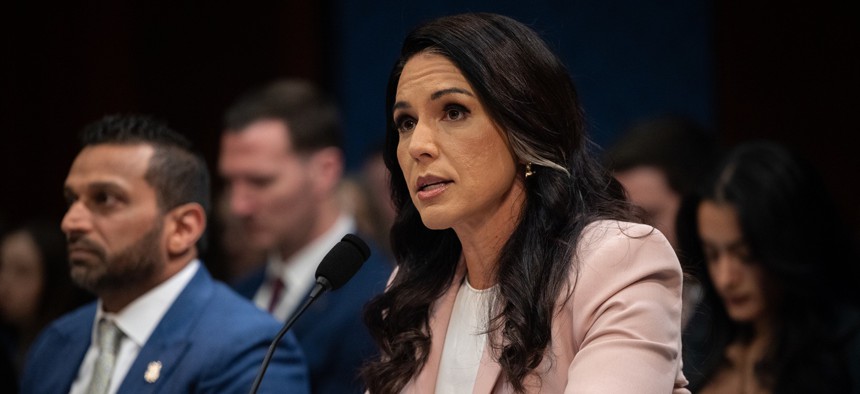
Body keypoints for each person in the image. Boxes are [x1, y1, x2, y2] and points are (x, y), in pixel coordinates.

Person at [361, 13, 688, 393]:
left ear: (525, 126)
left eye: (454, 112)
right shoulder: (416, 288)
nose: (418, 146)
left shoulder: (617, 263)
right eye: (406, 122)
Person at [20, 115, 309, 393]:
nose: (71, 222)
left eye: (104, 199)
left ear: (182, 229)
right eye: (72, 200)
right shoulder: (57, 341)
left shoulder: (248, 348)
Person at [219, 79, 391, 394]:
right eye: (231, 182)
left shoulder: (381, 298)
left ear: (325, 171)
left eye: (260, 181)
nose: (238, 205)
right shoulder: (236, 295)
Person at [687, 141, 860, 393]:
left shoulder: (847, 346)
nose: (725, 278)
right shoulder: (701, 335)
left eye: (745, 255)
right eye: (712, 254)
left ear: (789, 246)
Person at [0, 219, 93, 385]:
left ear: (52, 282)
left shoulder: (70, 348)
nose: (4, 285)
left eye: (22, 272)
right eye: (1, 267)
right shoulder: (8, 342)